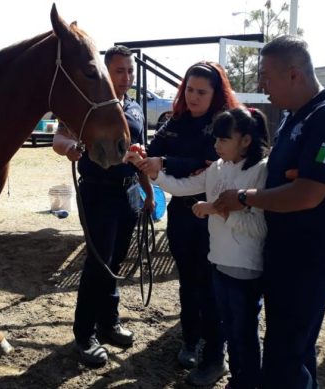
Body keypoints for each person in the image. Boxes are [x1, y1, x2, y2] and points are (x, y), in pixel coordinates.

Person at [213, 35, 325, 389]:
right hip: (288, 247)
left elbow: (308, 194)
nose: (261, 85)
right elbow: (286, 176)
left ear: (294, 74)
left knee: (284, 354)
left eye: (266, 76)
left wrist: (247, 197)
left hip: (314, 253)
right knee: (293, 344)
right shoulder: (297, 116)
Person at [136, 107, 270, 389]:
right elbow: (183, 186)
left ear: (245, 140)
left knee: (244, 333)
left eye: (223, 140)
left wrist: (219, 210)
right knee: (230, 330)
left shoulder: (260, 172)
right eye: (216, 139)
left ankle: (247, 381)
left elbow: (260, 228)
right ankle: (236, 377)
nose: (216, 145)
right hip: (218, 263)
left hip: (245, 270)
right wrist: (154, 173)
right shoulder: (217, 168)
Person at [135, 61, 239, 386]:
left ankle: (215, 348)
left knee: (211, 285)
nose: (193, 97)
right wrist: (142, 154)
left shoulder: (225, 125)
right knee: (188, 281)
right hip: (182, 212)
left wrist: (166, 163)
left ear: (216, 93)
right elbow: (156, 152)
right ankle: (190, 339)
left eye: (201, 92)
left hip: (215, 216)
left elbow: (210, 165)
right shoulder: (174, 121)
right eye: (189, 90)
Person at [52, 45, 154, 366]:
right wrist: (71, 148)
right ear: (106, 72)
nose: (126, 77)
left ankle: (108, 322)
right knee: (99, 263)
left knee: (116, 262)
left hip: (130, 192)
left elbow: (141, 153)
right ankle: (84, 334)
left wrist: (148, 192)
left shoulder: (135, 108)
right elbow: (60, 139)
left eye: (130, 71)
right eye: (120, 70)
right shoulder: (88, 105)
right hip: (98, 193)